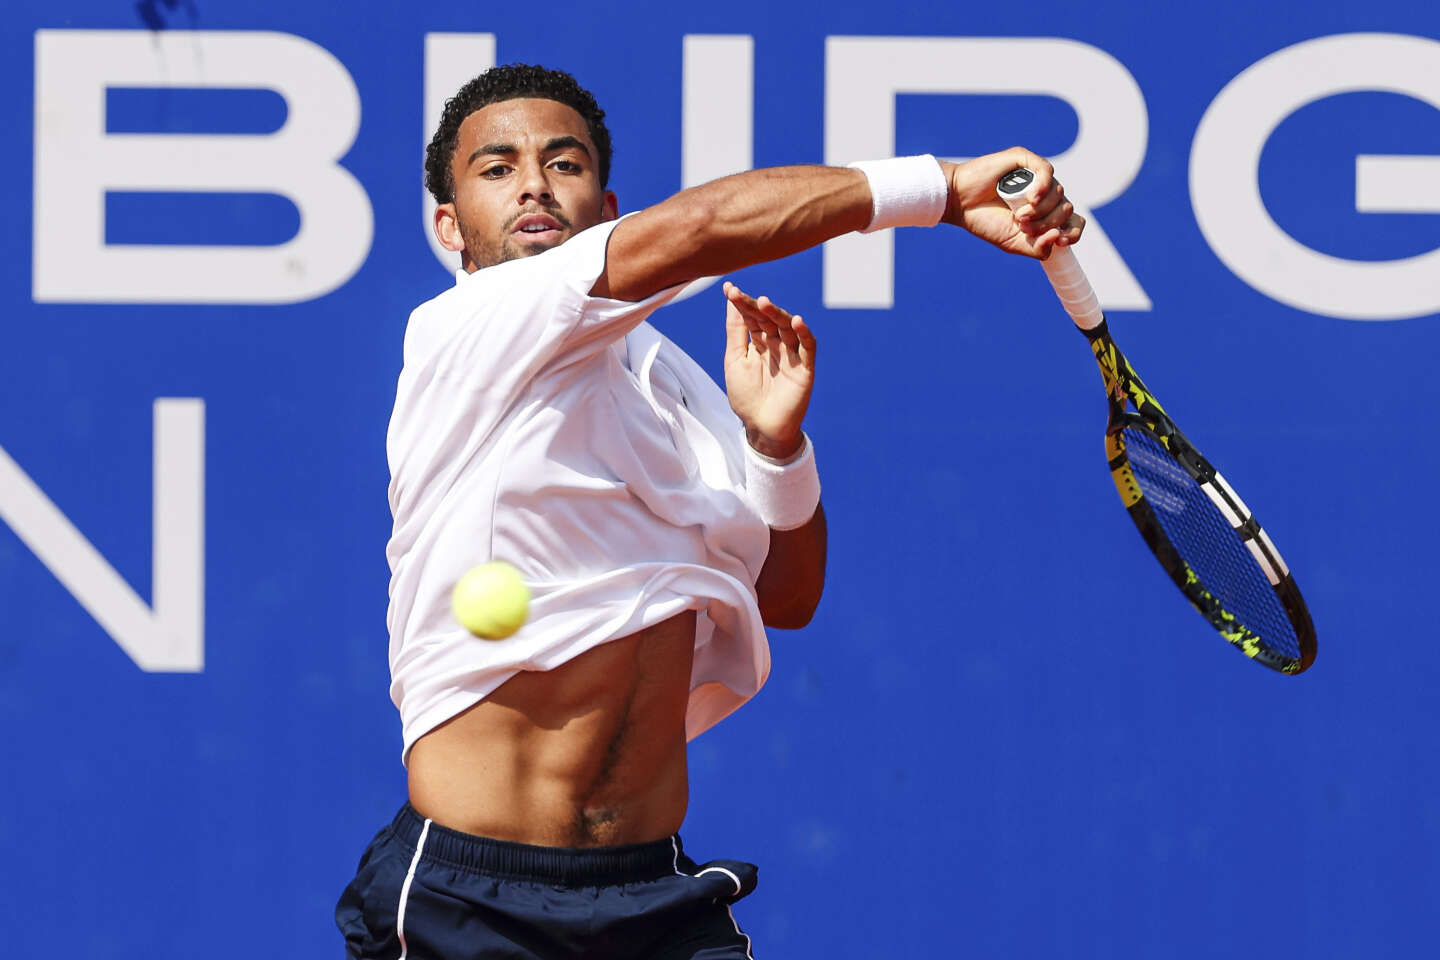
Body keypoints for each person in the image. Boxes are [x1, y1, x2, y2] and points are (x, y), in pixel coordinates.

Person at [336, 64, 1083, 959]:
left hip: (652, 897)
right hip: (474, 902)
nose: (534, 182)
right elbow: (698, 230)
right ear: (450, 227)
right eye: (497, 169)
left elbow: (787, 594)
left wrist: (776, 447)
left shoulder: (673, 390)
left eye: (562, 163)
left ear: (605, 203)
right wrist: (942, 188)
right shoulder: (468, 327)